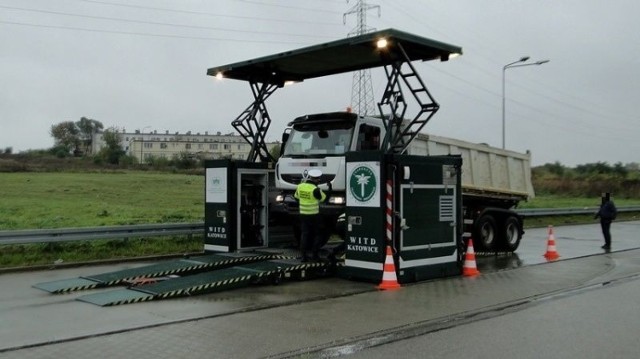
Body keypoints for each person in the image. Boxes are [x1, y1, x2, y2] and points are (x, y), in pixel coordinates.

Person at [294, 169, 326, 261]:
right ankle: (315, 254)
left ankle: (303, 256)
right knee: (319, 234)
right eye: (318, 179)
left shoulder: (300, 186)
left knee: (304, 234)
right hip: (314, 215)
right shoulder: (316, 189)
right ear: (317, 179)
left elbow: (296, 197)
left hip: (303, 214)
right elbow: (323, 199)